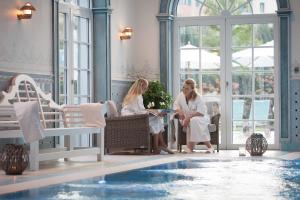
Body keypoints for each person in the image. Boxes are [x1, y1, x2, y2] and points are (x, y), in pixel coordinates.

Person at [121, 78, 174, 154]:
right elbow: (140, 112)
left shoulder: (131, 95)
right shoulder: (137, 96)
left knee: (157, 119)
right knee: (157, 119)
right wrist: (153, 112)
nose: (146, 90)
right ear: (141, 86)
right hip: (133, 120)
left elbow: (138, 110)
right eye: (145, 88)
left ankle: (159, 145)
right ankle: (159, 145)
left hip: (131, 119)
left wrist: (151, 111)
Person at [173, 78, 214, 153]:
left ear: (192, 89)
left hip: (201, 118)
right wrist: (179, 111)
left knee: (194, 121)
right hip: (186, 118)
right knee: (193, 121)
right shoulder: (180, 96)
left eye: (187, 89)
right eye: (183, 88)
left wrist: (189, 117)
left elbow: (201, 112)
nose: (184, 90)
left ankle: (190, 147)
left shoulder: (198, 97)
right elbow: (175, 105)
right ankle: (210, 147)